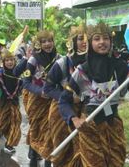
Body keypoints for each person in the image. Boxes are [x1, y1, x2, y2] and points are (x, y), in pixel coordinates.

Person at [59, 23, 129, 167]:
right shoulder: (82, 71)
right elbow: (63, 101)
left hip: (114, 125)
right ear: (90, 43)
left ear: (111, 42)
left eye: (106, 38)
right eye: (97, 39)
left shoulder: (120, 66)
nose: (102, 42)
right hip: (90, 126)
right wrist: (74, 119)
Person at [43, 25, 87, 166]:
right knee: (62, 149)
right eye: (80, 39)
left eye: (87, 38)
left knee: (83, 149)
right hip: (61, 110)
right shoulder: (62, 63)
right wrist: (67, 95)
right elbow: (48, 88)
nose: (84, 42)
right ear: (73, 42)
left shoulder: (94, 62)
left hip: (85, 110)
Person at [23, 30, 59, 167]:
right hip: (36, 100)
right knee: (36, 128)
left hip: (52, 100)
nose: (48, 44)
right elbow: (25, 82)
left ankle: (48, 161)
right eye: (44, 42)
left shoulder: (59, 58)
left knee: (50, 130)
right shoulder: (33, 60)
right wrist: (39, 91)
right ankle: (33, 155)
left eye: (50, 41)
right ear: (39, 44)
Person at [0, 49, 23, 153]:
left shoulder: (18, 73)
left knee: (16, 122)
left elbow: (22, 86)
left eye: (12, 60)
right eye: (7, 60)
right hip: (2, 102)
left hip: (14, 102)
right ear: (3, 62)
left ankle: (9, 144)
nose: (10, 62)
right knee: (4, 123)